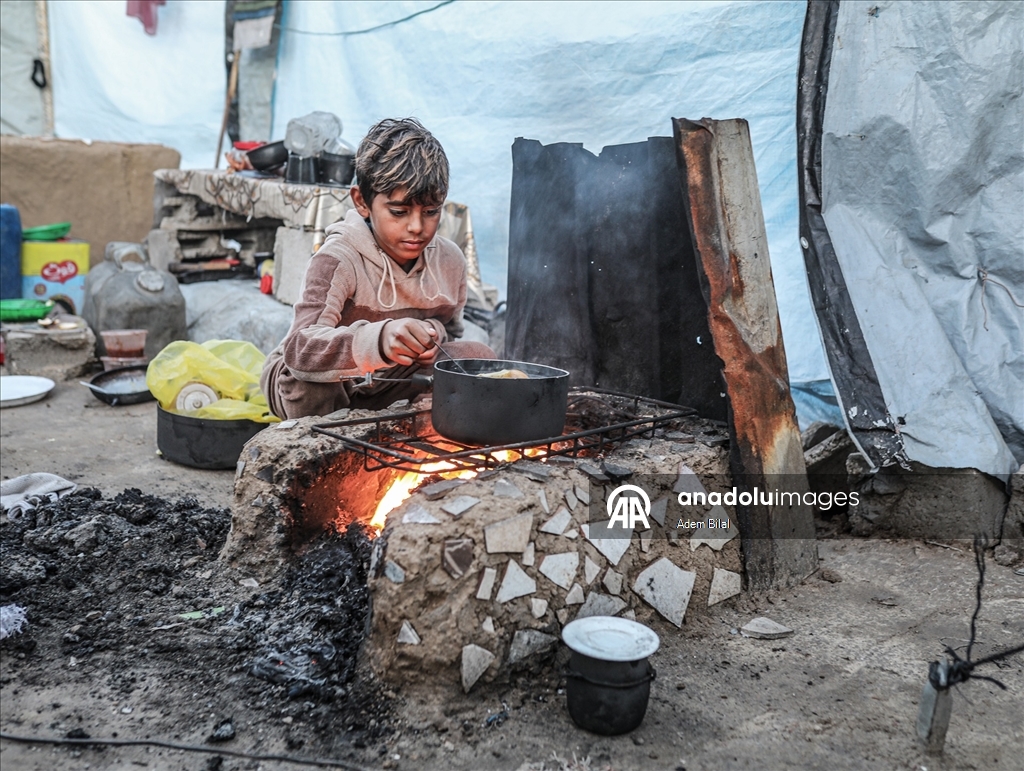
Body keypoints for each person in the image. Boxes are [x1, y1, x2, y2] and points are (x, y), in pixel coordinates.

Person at [261, 118, 495, 419]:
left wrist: (432, 338)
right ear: (362, 202)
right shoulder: (338, 258)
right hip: (320, 384)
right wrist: (379, 340)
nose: (416, 227)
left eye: (431, 212)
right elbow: (301, 350)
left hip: (389, 382)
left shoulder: (450, 260)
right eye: (398, 212)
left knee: (478, 358)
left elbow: (450, 335)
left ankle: (411, 432)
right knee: (310, 385)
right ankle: (324, 444)